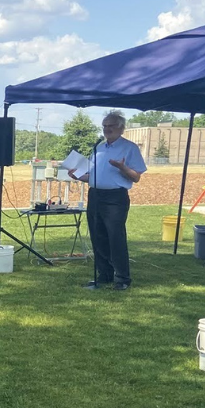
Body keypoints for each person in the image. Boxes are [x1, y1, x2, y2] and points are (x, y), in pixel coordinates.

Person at [68, 110, 146, 290]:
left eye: (111, 126)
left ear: (121, 128)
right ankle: (104, 275)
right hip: (95, 195)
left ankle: (122, 278)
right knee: (98, 236)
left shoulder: (129, 148)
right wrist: (78, 176)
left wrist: (122, 167)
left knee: (115, 237)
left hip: (115, 198)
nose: (107, 130)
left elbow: (136, 177)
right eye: (104, 126)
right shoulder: (99, 148)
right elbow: (94, 176)